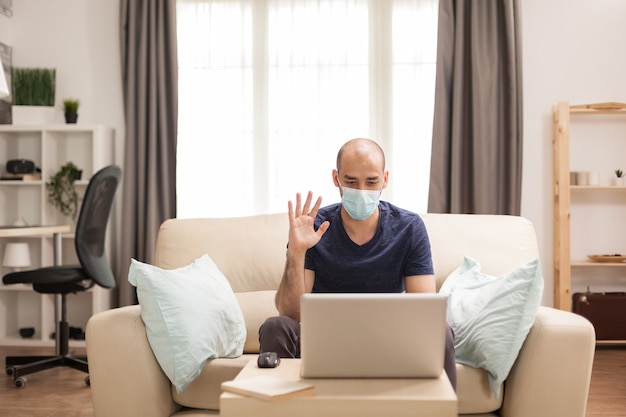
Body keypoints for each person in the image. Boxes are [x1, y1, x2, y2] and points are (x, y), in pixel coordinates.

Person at [258, 138, 456, 390]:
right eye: (351, 181)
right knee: (276, 326)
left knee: (440, 330)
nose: (361, 190)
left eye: (371, 181)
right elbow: (290, 313)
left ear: (385, 179)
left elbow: (424, 312)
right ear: (336, 178)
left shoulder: (409, 227)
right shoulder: (314, 225)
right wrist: (296, 252)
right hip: (322, 341)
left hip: (389, 342)